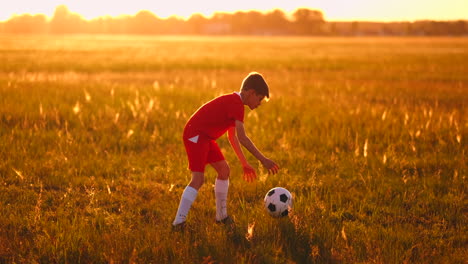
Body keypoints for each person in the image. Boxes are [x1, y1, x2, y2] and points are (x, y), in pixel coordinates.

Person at [172, 72, 279, 228]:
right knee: (198, 179)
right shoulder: (235, 103)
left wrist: (244, 163)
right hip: (195, 135)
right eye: (260, 98)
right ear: (251, 93)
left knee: (224, 170)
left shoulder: (236, 103)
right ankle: (178, 223)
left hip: (205, 137)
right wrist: (263, 160)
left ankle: (221, 217)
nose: (259, 103)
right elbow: (243, 138)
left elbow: (233, 137)